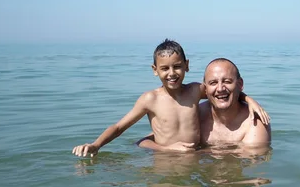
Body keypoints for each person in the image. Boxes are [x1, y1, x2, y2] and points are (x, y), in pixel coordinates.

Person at [72, 40, 269, 157]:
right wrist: (96, 145)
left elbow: (221, 93)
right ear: (155, 70)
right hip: (164, 158)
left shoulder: (194, 91)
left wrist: (250, 100)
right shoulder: (150, 99)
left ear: (187, 66)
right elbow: (119, 127)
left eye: (177, 66)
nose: (172, 73)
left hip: (193, 159)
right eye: (165, 68)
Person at [138, 57, 271, 151]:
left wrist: (194, 154)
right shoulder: (196, 114)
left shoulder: (254, 122)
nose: (220, 88)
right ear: (205, 89)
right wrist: (165, 149)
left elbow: (250, 168)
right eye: (213, 83)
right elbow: (143, 142)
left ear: (240, 84)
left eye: (227, 81)